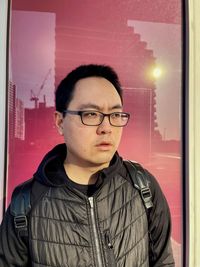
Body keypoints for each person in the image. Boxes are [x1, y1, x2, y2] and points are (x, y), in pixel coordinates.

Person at [0, 64, 174, 266]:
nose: (106, 128)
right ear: (59, 122)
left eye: (115, 115)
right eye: (91, 114)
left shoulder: (143, 187)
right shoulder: (26, 204)